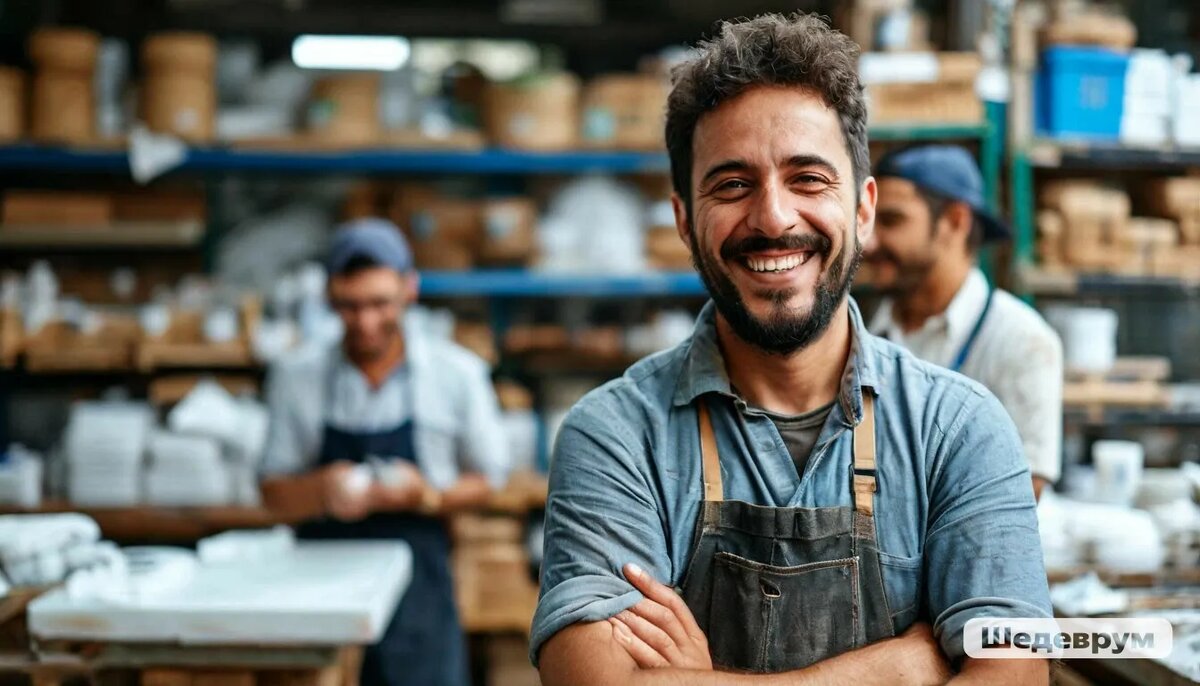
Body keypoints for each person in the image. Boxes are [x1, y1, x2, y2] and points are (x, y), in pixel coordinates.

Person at [532, 13, 1051, 686]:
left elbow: (1014, 675)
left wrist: (699, 677)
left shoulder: (960, 428)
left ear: (863, 209)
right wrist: (900, 667)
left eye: (808, 178)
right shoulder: (614, 435)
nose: (774, 218)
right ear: (686, 221)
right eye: (732, 184)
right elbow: (594, 680)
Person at [259, 218, 510, 686]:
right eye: (350, 306)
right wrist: (321, 490)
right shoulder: (297, 376)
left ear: (409, 290)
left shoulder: (456, 375)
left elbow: (490, 482)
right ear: (330, 296)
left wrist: (424, 497)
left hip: (420, 595)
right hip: (318, 595)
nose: (366, 322)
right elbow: (273, 492)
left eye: (380, 304)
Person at [863, 145, 1063, 499]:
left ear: (955, 221)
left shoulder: (1021, 341)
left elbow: (1019, 496)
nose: (870, 241)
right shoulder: (862, 333)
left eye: (892, 220)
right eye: (870, 221)